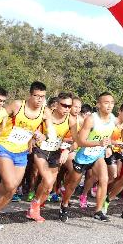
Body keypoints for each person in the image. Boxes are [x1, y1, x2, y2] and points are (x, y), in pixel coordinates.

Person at [0, 81, 57, 230]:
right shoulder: (17, 105)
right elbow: (0, 114)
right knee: (9, 183)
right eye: (37, 96)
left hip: (21, 152)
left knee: (13, 189)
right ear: (30, 95)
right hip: (5, 147)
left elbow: (51, 132)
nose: (40, 99)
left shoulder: (45, 111)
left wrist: (44, 136)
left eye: (43, 96)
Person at [59, 92, 116, 222]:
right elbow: (80, 141)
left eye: (112, 103)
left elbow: (107, 137)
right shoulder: (91, 119)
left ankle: (98, 211)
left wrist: (107, 147)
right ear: (98, 105)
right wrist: (99, 143)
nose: (110, 106)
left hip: (97, 155)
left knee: (104, 178)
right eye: (106, 103)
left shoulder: (112, 118)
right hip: (83, 156)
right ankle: (64, 204)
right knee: (73, 185)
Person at [26, 92, 79, 222]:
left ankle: (34, 206)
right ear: (57, 104)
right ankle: (35, 208)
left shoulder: (71, 120)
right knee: (48, 180)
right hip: (41, 150)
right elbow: (31, 127)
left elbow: (77, 141)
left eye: (69, 106)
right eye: (64, 105)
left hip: (55, 152)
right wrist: (34, 137)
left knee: (49, 187)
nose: (67, 108)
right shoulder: (45, 114)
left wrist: (67, 149)